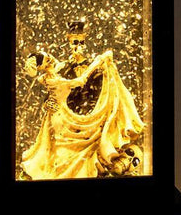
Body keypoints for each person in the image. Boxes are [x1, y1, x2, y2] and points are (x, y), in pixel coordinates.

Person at [21, 48, 144, 180]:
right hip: (61, 117)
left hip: (57, 115)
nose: (51, 58)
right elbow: (81, 80)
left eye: (49, 55)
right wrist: (99, 61)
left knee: (58, 145)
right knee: (69, 145)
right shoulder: (56, 80)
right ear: (42, 66)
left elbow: (57, 74)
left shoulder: (47, 77)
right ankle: (66, 170)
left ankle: (59, 169)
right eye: (47, 60)